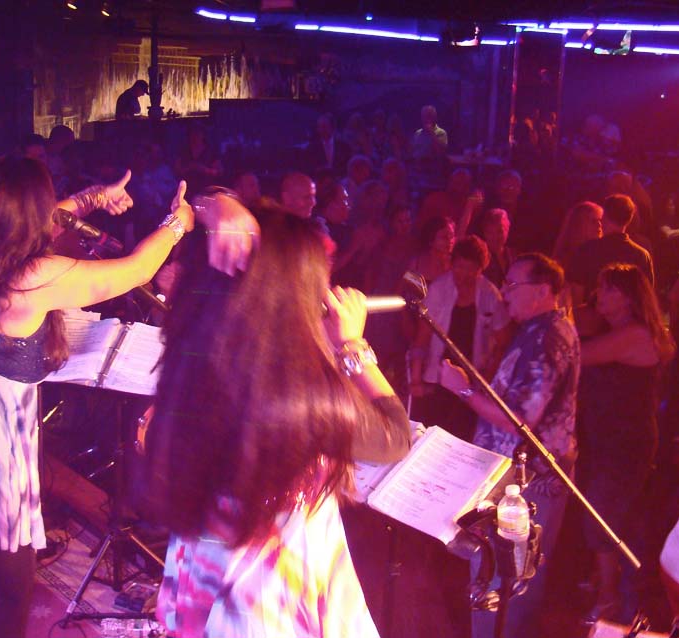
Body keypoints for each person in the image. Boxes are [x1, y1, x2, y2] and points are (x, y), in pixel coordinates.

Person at [0, 157, 259, 638]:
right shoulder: (30, 277)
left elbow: (48, 216)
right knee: (13, 585)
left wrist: (92, 198)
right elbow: (136, 270)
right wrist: (178, 222)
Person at [144, 204, 412, 637]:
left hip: (210, 574)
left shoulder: (193, 361)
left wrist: (218, 201)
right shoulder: (297, 396)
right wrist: (352, 344)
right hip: (268, 601)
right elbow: (394, 436)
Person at [439, 253, 580, 638]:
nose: (504, 292)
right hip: (523, 474)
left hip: (529, 479)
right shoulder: (539, 330)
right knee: (513, 574)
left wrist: (462, 390)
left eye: (513, 285)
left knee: (505, 577)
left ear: (542, 291)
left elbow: (521, 420)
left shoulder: (547, 337)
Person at [576, 264, 675, 624]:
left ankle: (609, 600)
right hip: (609, 438)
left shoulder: (635, 334)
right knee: (612, 514)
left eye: (608, 289)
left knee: (601, 515)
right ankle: (608, 581)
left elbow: (578, 354)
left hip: (626, 442)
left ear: (628, 297)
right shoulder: (618, 330)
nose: (598, 295)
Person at [409, 236, 509, 442]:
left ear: (481, 269)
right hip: (437, 380)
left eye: (470, 269)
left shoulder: (490, 294)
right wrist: (416, 380)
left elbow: (503, 344)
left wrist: (486, 381)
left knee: (461, 438)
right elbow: (421, 339)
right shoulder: (438, 289)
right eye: (459, 267)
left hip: (471, 383)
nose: (463, 274)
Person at [567, 194, 654, 308]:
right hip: (628, 318)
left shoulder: (586, 251)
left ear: (605, 217)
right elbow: (647, 299)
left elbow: (576, 297)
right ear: (629, 219)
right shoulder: (642, 255)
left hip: (594, 316)